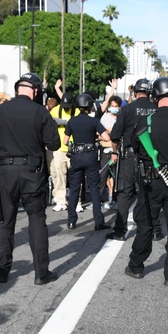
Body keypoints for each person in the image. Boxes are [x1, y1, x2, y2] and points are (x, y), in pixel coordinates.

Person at [0, 73, 61, 285]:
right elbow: (53, 143)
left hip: (7, 170)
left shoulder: (0, 110)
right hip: (32, 171)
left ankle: (2, 269)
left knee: (5, 220)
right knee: (36, 220)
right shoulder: (40, 111)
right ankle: (41, 273)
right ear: (35, 91)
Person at [124, 77, 168, 286]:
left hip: (151, 181)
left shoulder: (146, 122)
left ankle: (136, 266)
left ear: (155, 96)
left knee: (146, 224)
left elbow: (135, 147)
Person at [107, 79, 159, 242]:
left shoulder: (127, 109)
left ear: (135, 93)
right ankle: (155, 229)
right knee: (151, 192)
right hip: (151, 156)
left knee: (125, 193)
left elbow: (115, 135)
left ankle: (120, 231)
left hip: (129, 156)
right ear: (149, 93)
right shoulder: (155, 110)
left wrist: (114, 152)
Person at [64, 93, 111, 231]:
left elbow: (65, 141)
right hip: (90, 156)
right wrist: (96, 137)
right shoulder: (94, 121)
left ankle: (71, 221)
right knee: (95, 189)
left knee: (74, 189)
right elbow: (107, 138)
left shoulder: (72, 121)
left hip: (76, 157)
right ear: (89, 105)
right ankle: (98, 221)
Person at [49, 87, 76, 211]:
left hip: (74, 148)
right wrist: (65, 122)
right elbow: (50, 122)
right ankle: (61, 201)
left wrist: (65, 123)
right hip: (59, 148)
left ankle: (77, 201)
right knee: (59, 175)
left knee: (75, 176)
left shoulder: (76, 110)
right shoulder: (55, 110)